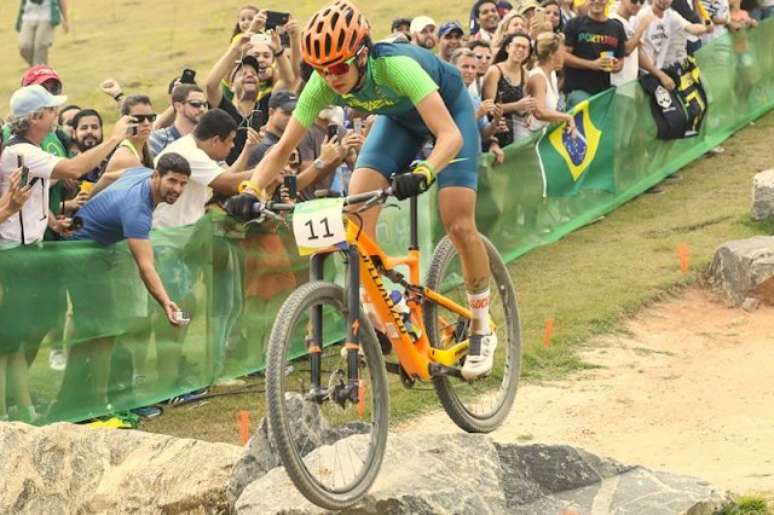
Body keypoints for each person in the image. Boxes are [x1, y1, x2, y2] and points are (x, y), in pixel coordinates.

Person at [233, 0, 498, 379]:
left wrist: (425, 171)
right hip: (398, 122)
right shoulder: (321, 85)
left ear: (361, 54)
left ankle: (480, 326)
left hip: (448, 115)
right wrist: (253, 190)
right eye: (322, 69)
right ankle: (388, 304)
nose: (332, 77)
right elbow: (281, 149)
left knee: (457, 223)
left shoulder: (396, 66)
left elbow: (450, 135)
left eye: (339, 66)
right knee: (353, 219)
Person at [561, 0, 627, 109]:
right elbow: (563, 56)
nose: (597, 1)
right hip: (577, 91)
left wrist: (616, 65)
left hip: (603, 94)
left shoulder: (617, 27)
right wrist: (591, 64)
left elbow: (620, 61)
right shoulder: (574, 24)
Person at [482, 32, 537, 146]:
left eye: (525, 48)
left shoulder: (525, 74)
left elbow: (524, 105)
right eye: (517, 45)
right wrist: (516, 106)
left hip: (515, 129)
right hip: (495, 129)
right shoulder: (495, 71)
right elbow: (488, 108)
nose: (521, 50)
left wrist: (528, 113)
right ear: (508, 48)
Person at [452, 47, 506, 163]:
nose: (470, 71)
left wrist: (495, 121)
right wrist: (478, 114)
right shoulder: (445, 96)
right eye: (465, 67)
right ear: (452, 68)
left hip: (474, 159)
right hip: (453, 161)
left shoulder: (474, 97)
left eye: (473, 67)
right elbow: (451, 131)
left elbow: (484, 134)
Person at [527, 32, 577, 132]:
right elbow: (540, 112)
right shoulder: (538, 77)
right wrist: (567, 117)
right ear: (551, 54)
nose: (564, 55)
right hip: (530, 137)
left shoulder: (552, 74)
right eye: (562, 51)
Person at [148, 84, 208, 158]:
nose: (202, 109)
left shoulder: (208, 140)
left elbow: (222, 167)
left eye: (205, 105)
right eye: (195, 104)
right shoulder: (158, 139)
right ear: (178, 106)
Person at [103, 95, 155, 176]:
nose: (146, 123)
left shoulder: (144, 145)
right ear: (125, 121)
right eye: (139, 119)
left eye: (151, 118)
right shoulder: (125, 157)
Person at [15, 0, 69, 66]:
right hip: (28, 15)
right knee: (24, 47)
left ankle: (40, 70)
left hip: (47, 15)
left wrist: (65, 19)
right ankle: (39, 69)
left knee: (40, 47)